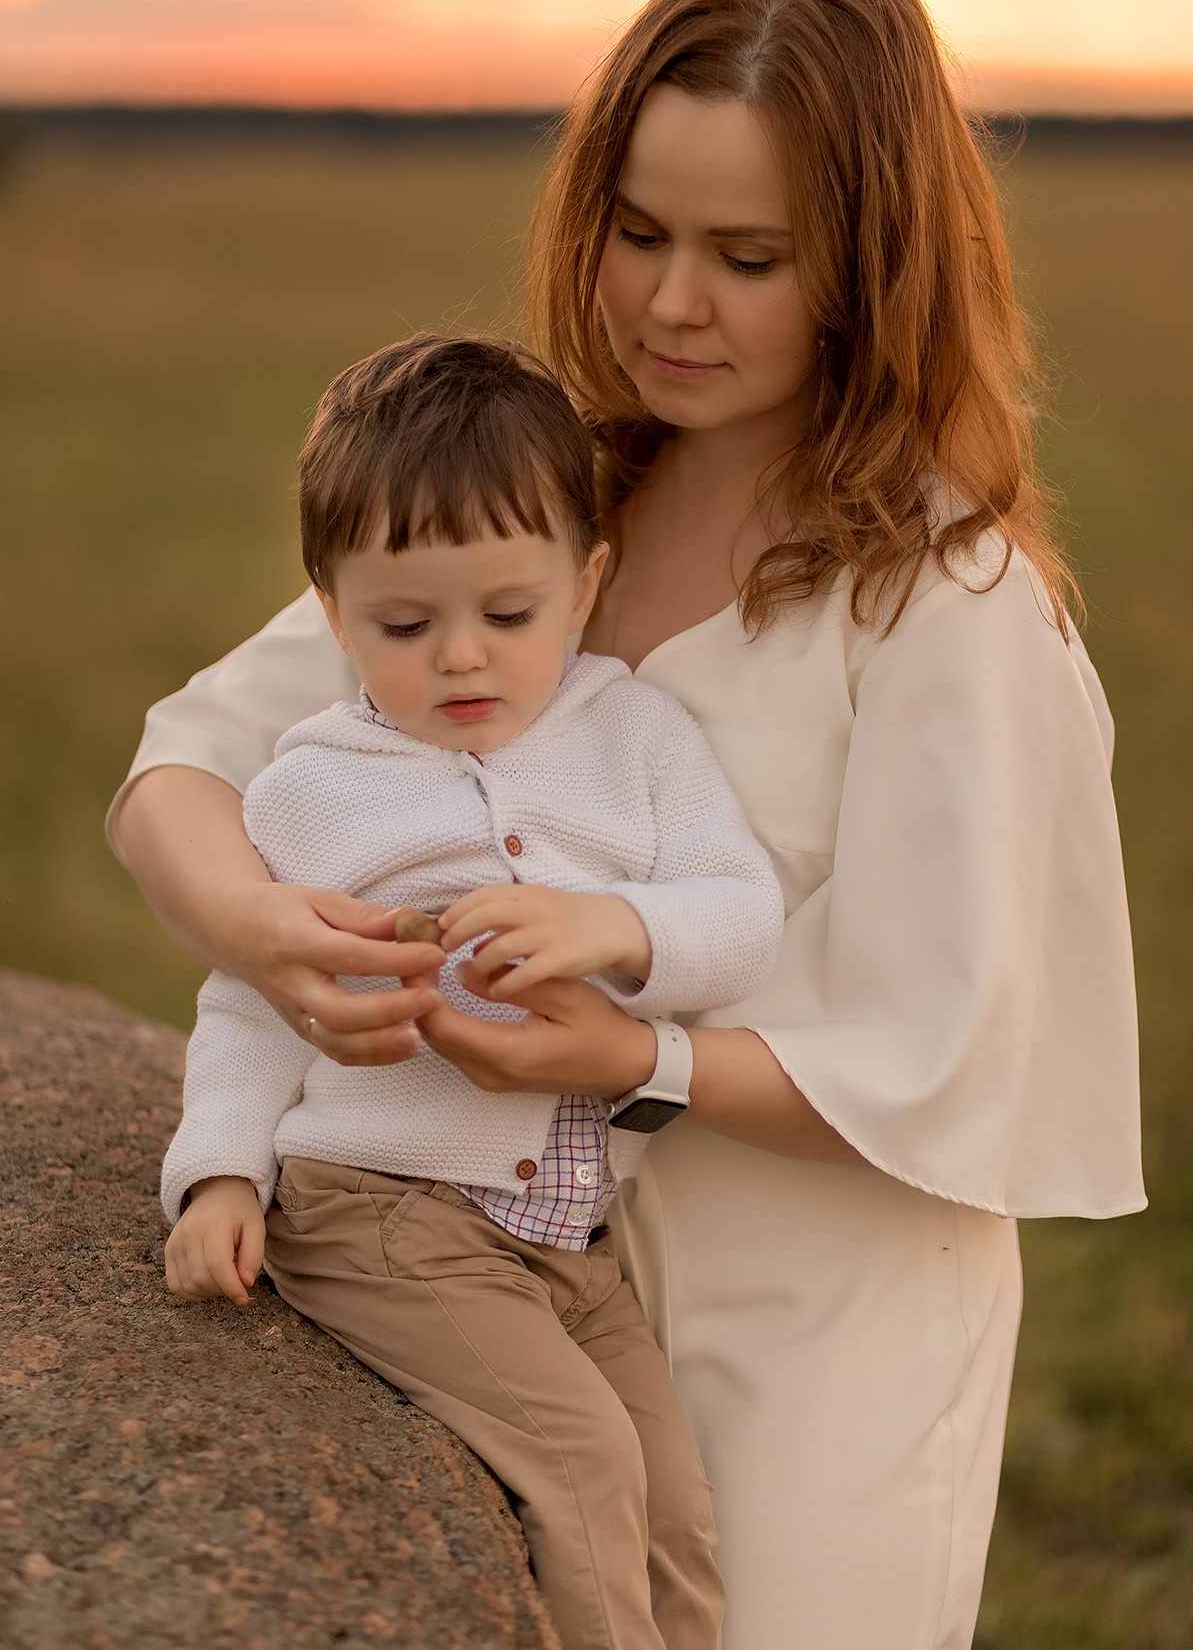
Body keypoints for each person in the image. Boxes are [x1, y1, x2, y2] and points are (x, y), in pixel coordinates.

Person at [110, 0, 1145, 1650]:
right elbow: (185, 763)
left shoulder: (949, 609)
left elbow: (957, 1054)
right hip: (511, 1270)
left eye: (749, 257)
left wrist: (635, 1055)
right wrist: (264, 937)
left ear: (871, 271)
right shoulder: (535, 511)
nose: (673, 303)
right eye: (641, 232)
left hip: (822, 1317)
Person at [161, 332, 785, 1650]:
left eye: (508, 615)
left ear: (585, 581)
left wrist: (614, 926)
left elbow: (741, 925)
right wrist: (221, 1173)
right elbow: (251, 998)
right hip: (390, 1209)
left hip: (574, 1238)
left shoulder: (636, 737)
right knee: (587, 1469)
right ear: (331, 611)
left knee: (678, 1506)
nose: (461, 660)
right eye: (404, 624)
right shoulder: (311, 786)